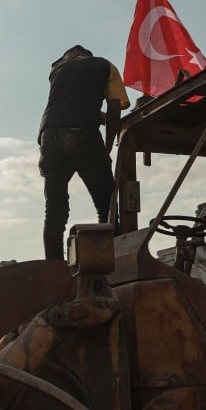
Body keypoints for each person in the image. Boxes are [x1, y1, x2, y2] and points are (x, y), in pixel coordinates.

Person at [38, 44, 130, 260]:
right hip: (82, 135)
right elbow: (114, 107)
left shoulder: (58, 72)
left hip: (48, 139)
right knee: (107, 207)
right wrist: (107, 146)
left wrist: (99, 117)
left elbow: (74, 105)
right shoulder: (104, 66)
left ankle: (54, 270)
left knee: (54, 212)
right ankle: (111, 265)